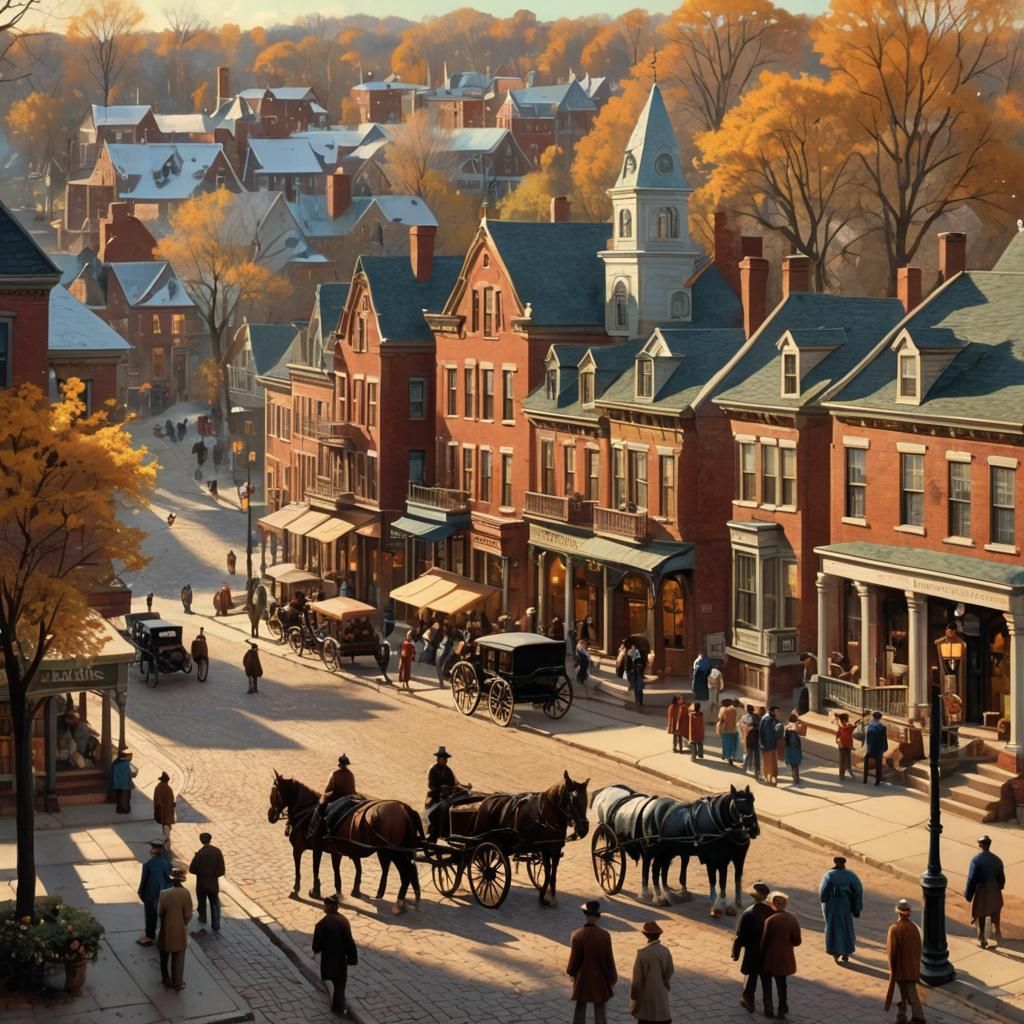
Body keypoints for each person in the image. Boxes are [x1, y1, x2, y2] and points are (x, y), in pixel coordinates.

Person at [567, 900, 617, 1024]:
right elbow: (609, 959)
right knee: (600, 1009)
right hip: (599, 977)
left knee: (580, 1009)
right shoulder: (605, 935)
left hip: (582, 978)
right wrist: (612, 978)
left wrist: (572, 973)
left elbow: (574, 961)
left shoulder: (577, 935)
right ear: (597, 918)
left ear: (586, 916)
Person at [312, 894, 358, 1016]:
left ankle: (337, 1007)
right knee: (340, 984)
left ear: (327, 907)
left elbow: (316, 947)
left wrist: (317, 950)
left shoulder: (321, 924)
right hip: (341, 960)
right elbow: (349, 941)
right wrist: (352, 958)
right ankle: (338, 1007)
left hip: (328, 961)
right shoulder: (344, 920)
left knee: (336, 983)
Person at [733, 881, 774, 1014]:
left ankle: (748, 1001)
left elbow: (740, 935)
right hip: (768, 952)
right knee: (766, 979)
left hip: (752, 951)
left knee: (751, 977)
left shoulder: (749, 912)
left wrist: (736, 951)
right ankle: (769, 1007)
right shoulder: (773, 912)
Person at [760, 891, 801, 1019]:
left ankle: (769, 1008)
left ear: (772, 904)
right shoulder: (792, 918)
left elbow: (764, 942)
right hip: (784, 958)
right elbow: (797, 941)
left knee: (767, 984)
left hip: (770, 958)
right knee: (782, 985)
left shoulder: (770, 920)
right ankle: (782, 1008)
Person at [886, 899, 926, 1024]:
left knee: (906, 994)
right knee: (909, 994)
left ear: (897, 912)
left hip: (900, 969)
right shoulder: (914, 928)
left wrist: (892, 970)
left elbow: (891, 952)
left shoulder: (895, 929)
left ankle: (917, 1018)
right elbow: (918, 949)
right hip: (912, 968)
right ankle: (903, 1016)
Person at [819, 856, 863, 963]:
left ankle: (835, 951)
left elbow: (823, 894)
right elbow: (858, 890)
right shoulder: (851, 875)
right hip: (845, 905)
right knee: (846, 926)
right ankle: (846, 952)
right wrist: (857, 907)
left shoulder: (829, 875)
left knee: (832, 927)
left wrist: (825, 901)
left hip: (832, 906)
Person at [628, 920, 673, 1023]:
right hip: (661, 993)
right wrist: (666, 983)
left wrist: (633, 1001)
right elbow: (669, 970)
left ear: (645, 934)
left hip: (646, 997)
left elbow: (636, 982)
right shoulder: (665, 951)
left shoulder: (642, 954)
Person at [965, 835, 1005, 948]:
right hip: (995, 891)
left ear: (980, 845)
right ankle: (997, 930)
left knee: (981, 914)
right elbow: (1002, 879)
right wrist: (999, 887)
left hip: (982, 891)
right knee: (995, 912)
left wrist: (968, 894)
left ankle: (982, 937)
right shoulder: (997, 860)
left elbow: (972, 879)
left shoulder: (976, 860)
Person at [158, 867, 193, 991]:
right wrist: (183, 922)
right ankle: (177, 982)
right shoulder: (185, 893)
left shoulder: (164, 893)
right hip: (179, 929)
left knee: (164, 956)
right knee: (178, 957)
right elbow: (188, 914)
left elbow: (160, 912)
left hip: (166, 929)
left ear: (171, 879)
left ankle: (165, 978)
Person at [137, 840, 172, 945]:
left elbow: (144, 881)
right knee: (164, 917)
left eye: (152, 848)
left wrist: (140, 892)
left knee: (150, 915)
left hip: (151, 893)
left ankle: (150, 934)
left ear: (154, 850)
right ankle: (165, 935)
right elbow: (169, 878)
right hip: (165, 892)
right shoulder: (167, 863)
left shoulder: (148, 865)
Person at [189, 833, 226, 933]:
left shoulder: (200, 853)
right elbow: (221, 870)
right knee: (215, 903)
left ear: (201, 840)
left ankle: (203, 917)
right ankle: (216, 924)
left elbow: (192, 869)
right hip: (213, 883)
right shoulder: (217, 851)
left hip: (201, 884)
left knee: (202, 902)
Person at [758, 707, 783, 786]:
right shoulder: (768, 720)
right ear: (772, 712)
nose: (778, 713)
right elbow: (763, 733)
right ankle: (769, 778)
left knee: (772, 762)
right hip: (767, 745)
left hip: (771, 745)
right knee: (769, 762)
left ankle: (771, 778)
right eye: (776, 712)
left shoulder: (772, 720)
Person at [864, 710, 888, 785]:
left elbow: (867, 739)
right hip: (878, 750)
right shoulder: (882, 727)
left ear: (873, 717)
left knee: (866, 757)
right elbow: (884, 739)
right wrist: (884, 748)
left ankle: (865, 780)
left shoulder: (869, 726)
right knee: (879, 763)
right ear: (880, 718)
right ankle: (877, 781)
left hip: (869, 750)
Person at [110, 748, 136, 813]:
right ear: (126, 756)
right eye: (130, 756)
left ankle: (119, 809)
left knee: (119, 798)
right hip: (124, 785)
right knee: (125, 798)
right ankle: (125, 809)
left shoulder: (116, 762)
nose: (131, 758)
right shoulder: (125, 764)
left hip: (116, 784)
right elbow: (129, 774)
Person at [153, 771, 175, 845]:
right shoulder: (168, 789)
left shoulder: (158, 788)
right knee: (166, 827)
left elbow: (156, 801)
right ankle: (166, 843)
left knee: (164, 827)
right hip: (167, 812)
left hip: (161, 812)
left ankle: (165, 841)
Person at [783, 713, 804, 785]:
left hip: (789, 747)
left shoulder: (786, 726)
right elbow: (802, 729)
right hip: (795, 747)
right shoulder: (796, 726)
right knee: (796, 764)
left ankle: (794, 777)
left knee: (792, 764)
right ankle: (796, 779)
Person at [717, 699, 740, 766]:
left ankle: (726, 756)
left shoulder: (723, 709)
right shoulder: (733, 710)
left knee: (726, 743)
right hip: (734, 729)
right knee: (732, 744)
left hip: (726, 729)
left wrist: (719, 728)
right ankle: (731, 757)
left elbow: (721, 718)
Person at [741, 705, 761, 778]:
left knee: (748, 754)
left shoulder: (745, 717)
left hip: (749, 737)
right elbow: (759, 727)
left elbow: (743, 727)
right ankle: (757, 772)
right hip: (756, 737)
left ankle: (744, 769)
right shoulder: (757, 717)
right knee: (756, 756)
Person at [834, 713, 854, 779]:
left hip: (841, 745)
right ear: (845, 720)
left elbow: (837, 736)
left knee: (842, 759)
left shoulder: (840, 727)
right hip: (847, 745)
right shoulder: (849, 727)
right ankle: (849, 770)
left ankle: (841, 774)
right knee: (848, 758)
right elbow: (854, 727)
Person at [626, 641, 645, 707]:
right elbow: (627, 665)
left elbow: (642, 663)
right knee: (636, 687)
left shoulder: (639, 654)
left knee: (639, 687)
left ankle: (640, 702)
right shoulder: (629, 653)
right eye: (632, 647)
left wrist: (639, 667)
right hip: (633, 673)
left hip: (638, 673)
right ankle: (637, 701)